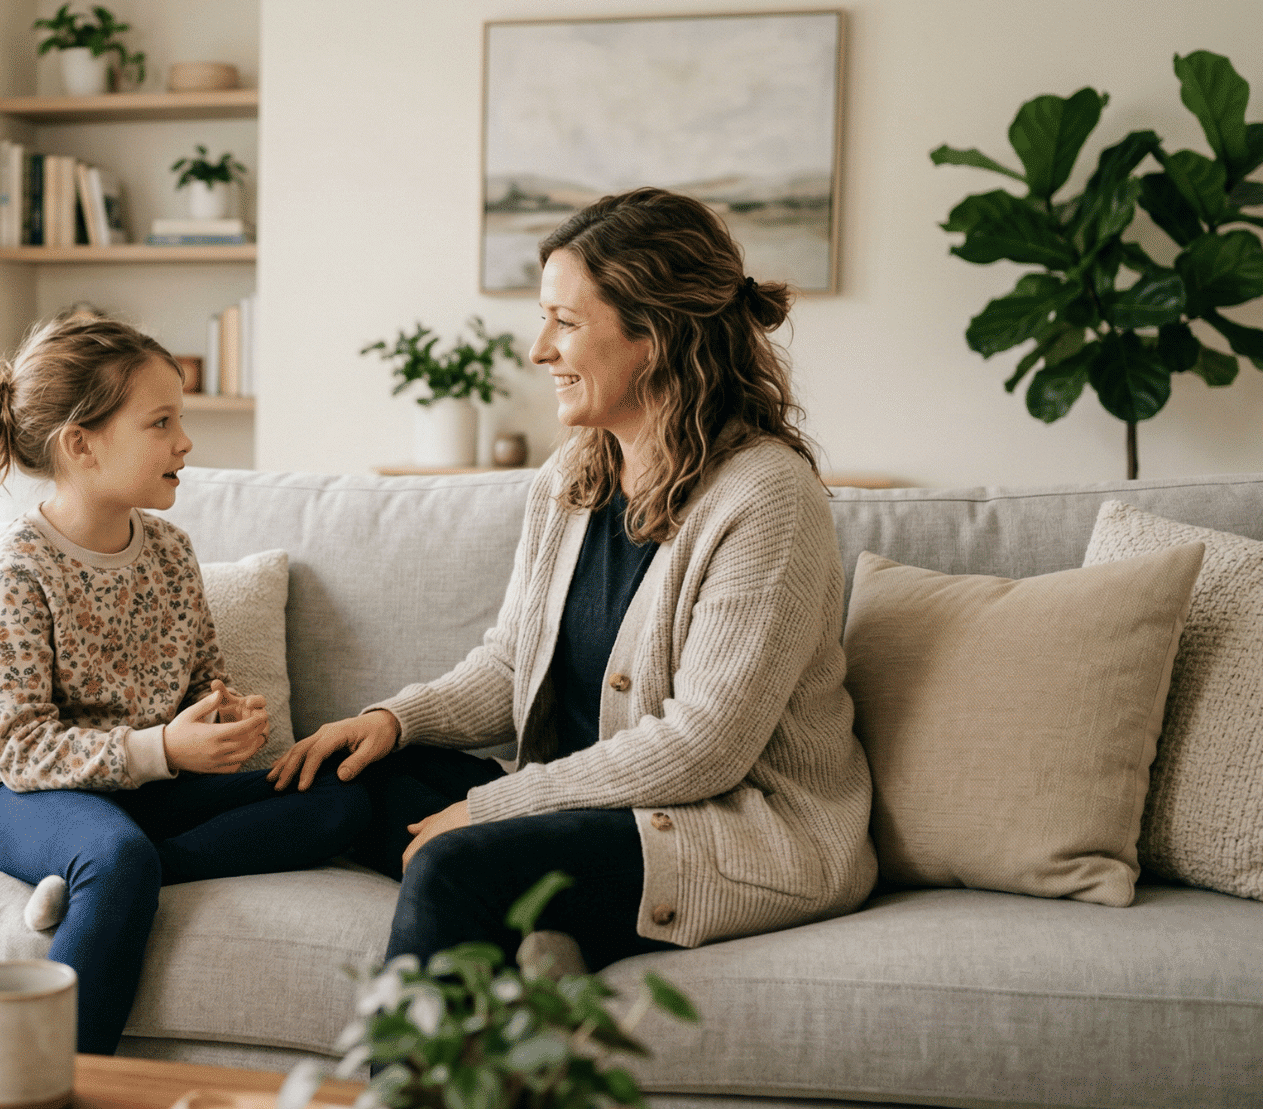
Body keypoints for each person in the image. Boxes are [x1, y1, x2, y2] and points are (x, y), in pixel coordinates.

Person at [270, 187, 876, 973]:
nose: (538, 349)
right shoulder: (575, 475)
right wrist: (396, 718)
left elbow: (702, 750)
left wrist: (487, 811)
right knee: (363, 770)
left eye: (565, 321)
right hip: (605, 806)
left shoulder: (767, 498)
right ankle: (131, 855)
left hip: (735, 827)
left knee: (452, 862)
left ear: (652, 336)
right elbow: (511, 664)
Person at [0, 312, 370, 1054]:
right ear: (82, 444)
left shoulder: (170, 550)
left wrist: (223, 716)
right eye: (160, 421)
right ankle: (57, 1078)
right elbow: (23, 750)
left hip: (134, 785)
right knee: (118, 855)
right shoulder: (16, 571)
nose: (185, 441)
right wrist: (166, 747)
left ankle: (95, 887)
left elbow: (200, 673)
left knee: (339, 794)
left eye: (182, 418)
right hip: (6, 791)